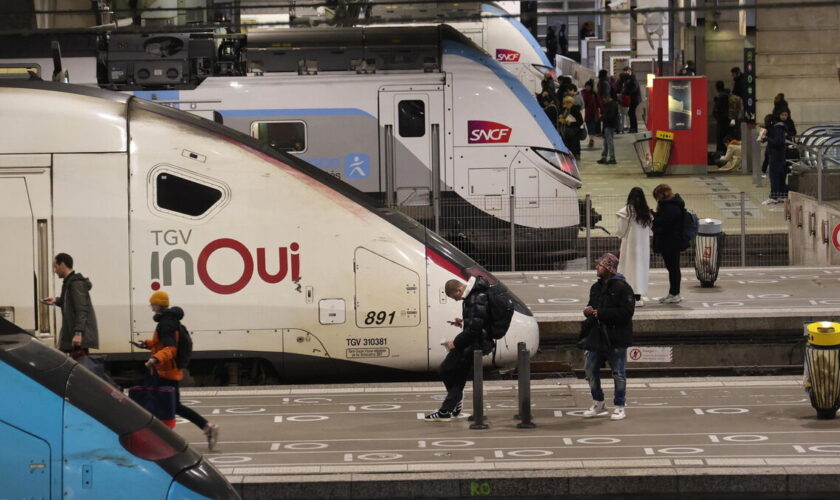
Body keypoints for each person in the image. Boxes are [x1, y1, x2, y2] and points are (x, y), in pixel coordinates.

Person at [141, 290, 220, 450]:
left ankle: (161, 440)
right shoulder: (169, 321)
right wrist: (148, 344)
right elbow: (164, 344)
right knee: (173, 406)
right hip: (169, 370)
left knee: (157, 405)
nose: (151, 307)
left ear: (157, 305)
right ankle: (207, 427)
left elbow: (171, 348)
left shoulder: (166, 324)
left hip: (165, 372)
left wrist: (155, 358)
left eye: (152, 304)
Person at [425, 277, 494, 421]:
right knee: (445, 369)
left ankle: (445, 411)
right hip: (470, 341)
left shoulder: (476, 297)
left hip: (476, 344)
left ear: (458, 289)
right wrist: (464, 321)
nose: (456, 300)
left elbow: (476, 328)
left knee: (459, 377)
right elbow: (477, 320)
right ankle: (455, 400)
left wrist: (455, 343)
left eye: (454, 297)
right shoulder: (472, 296)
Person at [579, 253, 635, 421]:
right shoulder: (595, 288)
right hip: (597, 336)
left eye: (600, 265)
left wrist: (601, 313)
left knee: (618, 372)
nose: (597, 267)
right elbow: (592, 305)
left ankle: (619, 406)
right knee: (589, 369)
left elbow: (626, 313)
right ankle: (599, 402)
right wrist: (588, 310)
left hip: (616, 336)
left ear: (609, 268)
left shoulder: (623, 288)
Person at [42, 253, 99, 355]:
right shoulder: (69, 282)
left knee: (80, 366)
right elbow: (71, 303)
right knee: (75, 365)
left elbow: (81, 309)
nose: (55, 271)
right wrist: (56, 300)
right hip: (72, 334)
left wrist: (78, 333)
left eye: (55, 267)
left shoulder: (75, 283)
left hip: (76, 338)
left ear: (62, 265)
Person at [651, 184, 688, 304]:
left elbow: (664, 223)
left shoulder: (672, 207)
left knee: (673, 268)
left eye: (657, 196)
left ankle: (674, 294)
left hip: (671, 242)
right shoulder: (672, 205)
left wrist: (654, 218)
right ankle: (673, 293)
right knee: (672, 268)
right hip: (670, 241)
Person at [615, 188, 652, 306]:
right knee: (640, 270)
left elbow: (621, 229)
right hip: (643, 246)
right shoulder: (646, 212)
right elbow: (650, 230)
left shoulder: (626, 211)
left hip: (629, 245)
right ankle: (638, 295)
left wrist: (620, 236)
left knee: (628, 268)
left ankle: (628, 295)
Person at [764, 109, 792, 205]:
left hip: (776, 156)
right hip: (778, 156)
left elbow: (777, 142)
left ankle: (774, 197)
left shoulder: (778, 128)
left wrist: (767, 138)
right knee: (779, 176)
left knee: (774, 177)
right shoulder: (779, 127)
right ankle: (779, 195)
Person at [558, 96, 583, 160]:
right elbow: (562, 119)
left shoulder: (575, 110)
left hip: (574, 131)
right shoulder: (565, 110)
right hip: (566, 131)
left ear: (570, 103)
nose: (565, 104)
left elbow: (580, 121)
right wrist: (561, 118)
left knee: (574, 145)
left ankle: (575, 156)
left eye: (566, 103)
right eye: (565, 103)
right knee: (569, 145)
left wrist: (571, 123)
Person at [597, 92, 618, 164]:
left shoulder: (612, 105)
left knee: (609, 142)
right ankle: (604, 157)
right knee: (605, 142)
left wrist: (602, 117)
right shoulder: (610, 104)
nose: (603, 100)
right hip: (607, 125)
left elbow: (610, 116)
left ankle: (612, 158)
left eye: (604, 99)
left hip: (610, 125)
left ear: (608, 98)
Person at [713, 80, 731, 154]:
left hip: (722, 121)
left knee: (720, 137)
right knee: (725, 137)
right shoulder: (727, 95)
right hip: (727, 120)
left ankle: (721, 154)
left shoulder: (721, 97)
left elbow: (718, 110)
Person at [622, 67, 642, 133]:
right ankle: (633, 128)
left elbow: (633, 88)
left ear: (630, 71)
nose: (626, 73)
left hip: (634, 99)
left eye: (627, 71)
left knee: (631, 113)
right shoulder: (629, 79)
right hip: (633, 98)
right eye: (625, 72)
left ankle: (634, 128)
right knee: (631, 113)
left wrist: (626, 92)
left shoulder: (632, 79)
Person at [581, 80, 600, 148]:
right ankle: (591, 139)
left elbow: (598, 104)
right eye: (586, 86)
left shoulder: (594, 94)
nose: (587, 88)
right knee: (589, 127)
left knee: (592, 127)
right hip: (586, 113)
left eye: (588, 86)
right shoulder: (583, 93)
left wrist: (599, 112)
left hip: (593, 113)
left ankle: (591, 140)